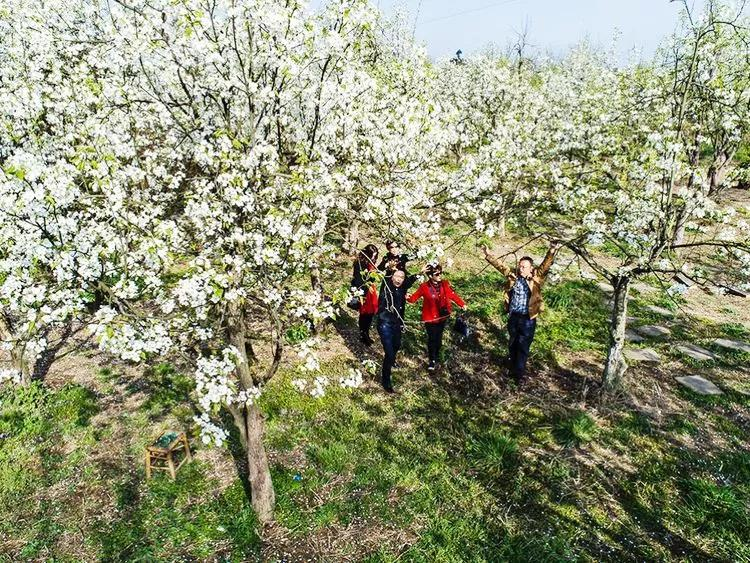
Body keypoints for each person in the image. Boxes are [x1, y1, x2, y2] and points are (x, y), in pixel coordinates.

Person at [482, 241, 562, 383]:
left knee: (523, 344)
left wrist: (551, 250)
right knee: (513, 343)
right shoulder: (514, 277)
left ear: (531, 268)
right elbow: (501, 266)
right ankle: (512, 368)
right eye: (520, 266)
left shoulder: (536, 277)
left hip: (528, 319)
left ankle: (518, 375)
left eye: (524, 267)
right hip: (514, 317)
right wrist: (488, 255)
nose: (521, 269)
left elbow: (545, 265)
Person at [407, 264, 465, 372]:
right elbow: (414, 298)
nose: (440, 275)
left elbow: (452, 295)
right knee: (432, 338)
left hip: (442, 316)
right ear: (430, 276)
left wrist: (462, 304)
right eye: (437, 274)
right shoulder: (424, 287)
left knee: (438, 339)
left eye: (441, 273)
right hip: (430, 318)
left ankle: (437, 356)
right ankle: (432, 360)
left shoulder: (445, 284)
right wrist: (407, 297)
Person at [376, 267, 423, 393]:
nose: (399, 279)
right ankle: (386, 380)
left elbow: (410, 281)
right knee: (389, 353)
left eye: (402, 277)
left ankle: (390, 361)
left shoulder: (402, 289)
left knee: (396, 345)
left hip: (397, 324)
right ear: (392, 277)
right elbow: (386, 278)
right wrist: (389, 269)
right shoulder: (386, 287)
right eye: (396, 276)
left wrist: (420, 272)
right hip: (384, 323)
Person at [352, 244, 380, 345]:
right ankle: (363, 334)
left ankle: (365, 333)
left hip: (370, 290)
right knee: (365, 314)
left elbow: (373, 276)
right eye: (372, 255)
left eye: (375, 256)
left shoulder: (369, 263)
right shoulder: (360, 264)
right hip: (365, 290)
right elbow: (362, 279)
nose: (373, 258)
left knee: (370, 314)